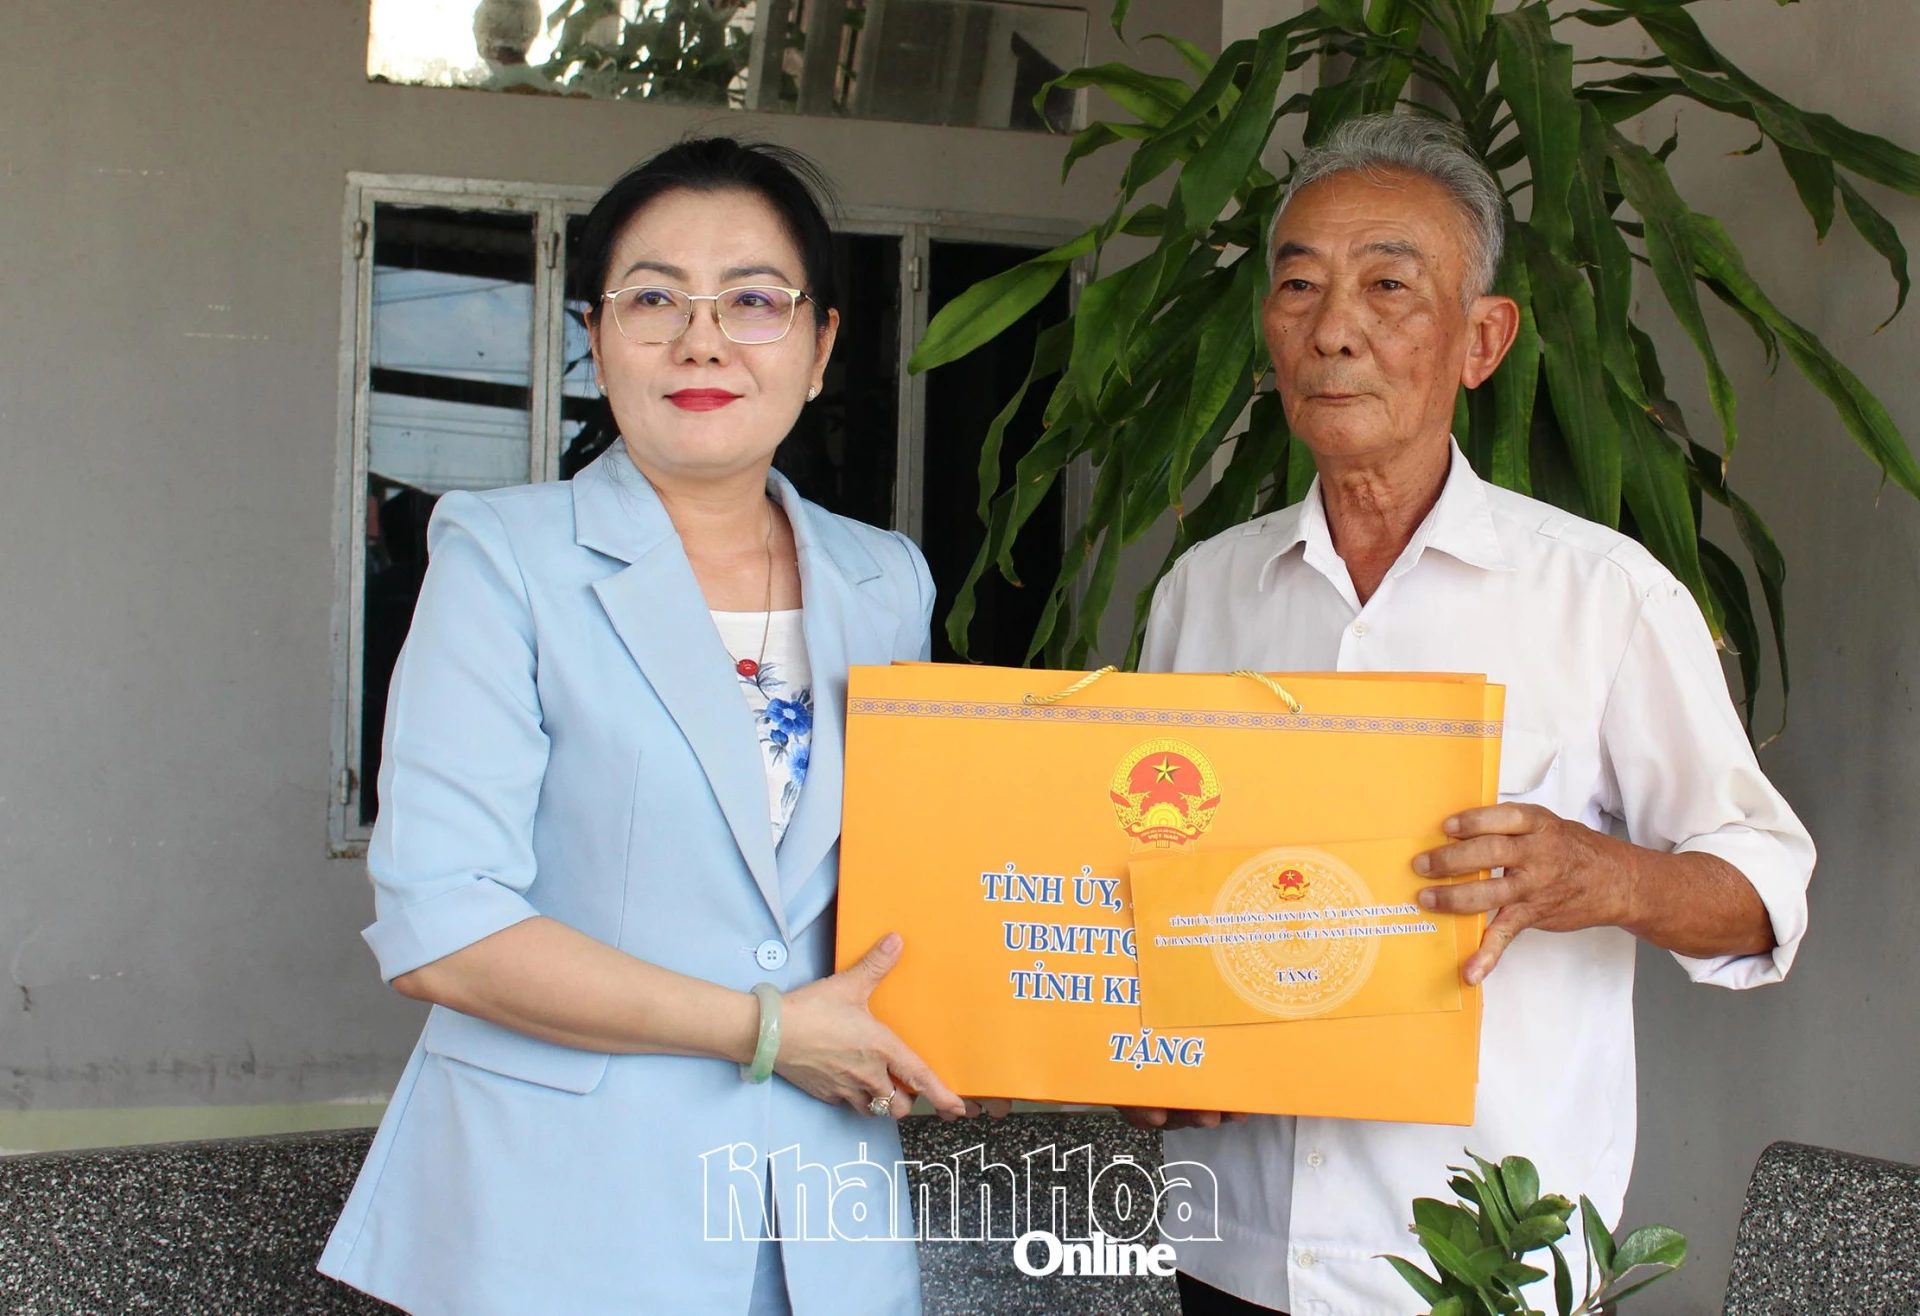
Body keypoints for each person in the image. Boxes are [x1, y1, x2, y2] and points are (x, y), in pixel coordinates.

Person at [1127, 114, 1815, 1316]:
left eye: (1388, 285)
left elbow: (1766, 893)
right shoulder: (1205, 590)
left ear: (1482, 338)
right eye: (1298, 285)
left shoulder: (1602, 596)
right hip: (1231, 1249)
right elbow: (1147, 877)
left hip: (1482, 1272)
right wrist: (1141, 1047)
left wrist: (1602, 874)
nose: (1333, 328)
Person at [318, 136, 973, 1316]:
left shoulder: (885, 580)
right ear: (595, 333)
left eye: (754, 301)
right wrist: (765, 1028)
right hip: (560, 1217)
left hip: (820, 1214)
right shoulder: (505, 557)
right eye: (656, 298)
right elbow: (443, 923)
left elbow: (905, 887)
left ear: (821, 346)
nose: (703, 340)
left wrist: (1009, 1013)